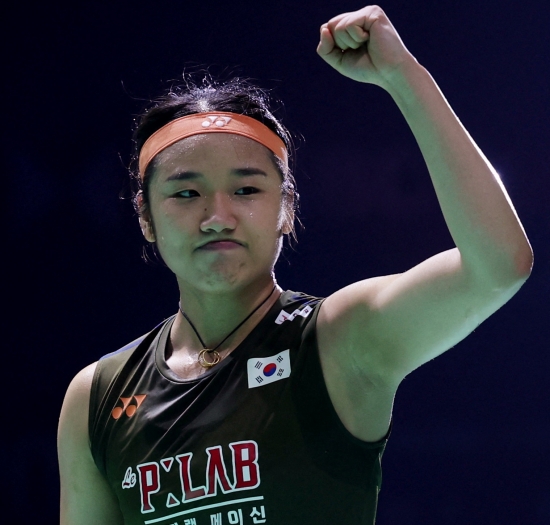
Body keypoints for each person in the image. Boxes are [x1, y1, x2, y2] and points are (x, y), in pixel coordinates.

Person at [58, 5, 533, 525]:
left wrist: (404, 76)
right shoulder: (97, 397)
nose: (217, 217)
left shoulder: (338, 342)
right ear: (145, 217)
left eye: (246, 190)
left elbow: (498, 266)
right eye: (186, 193)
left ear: (286, 208)